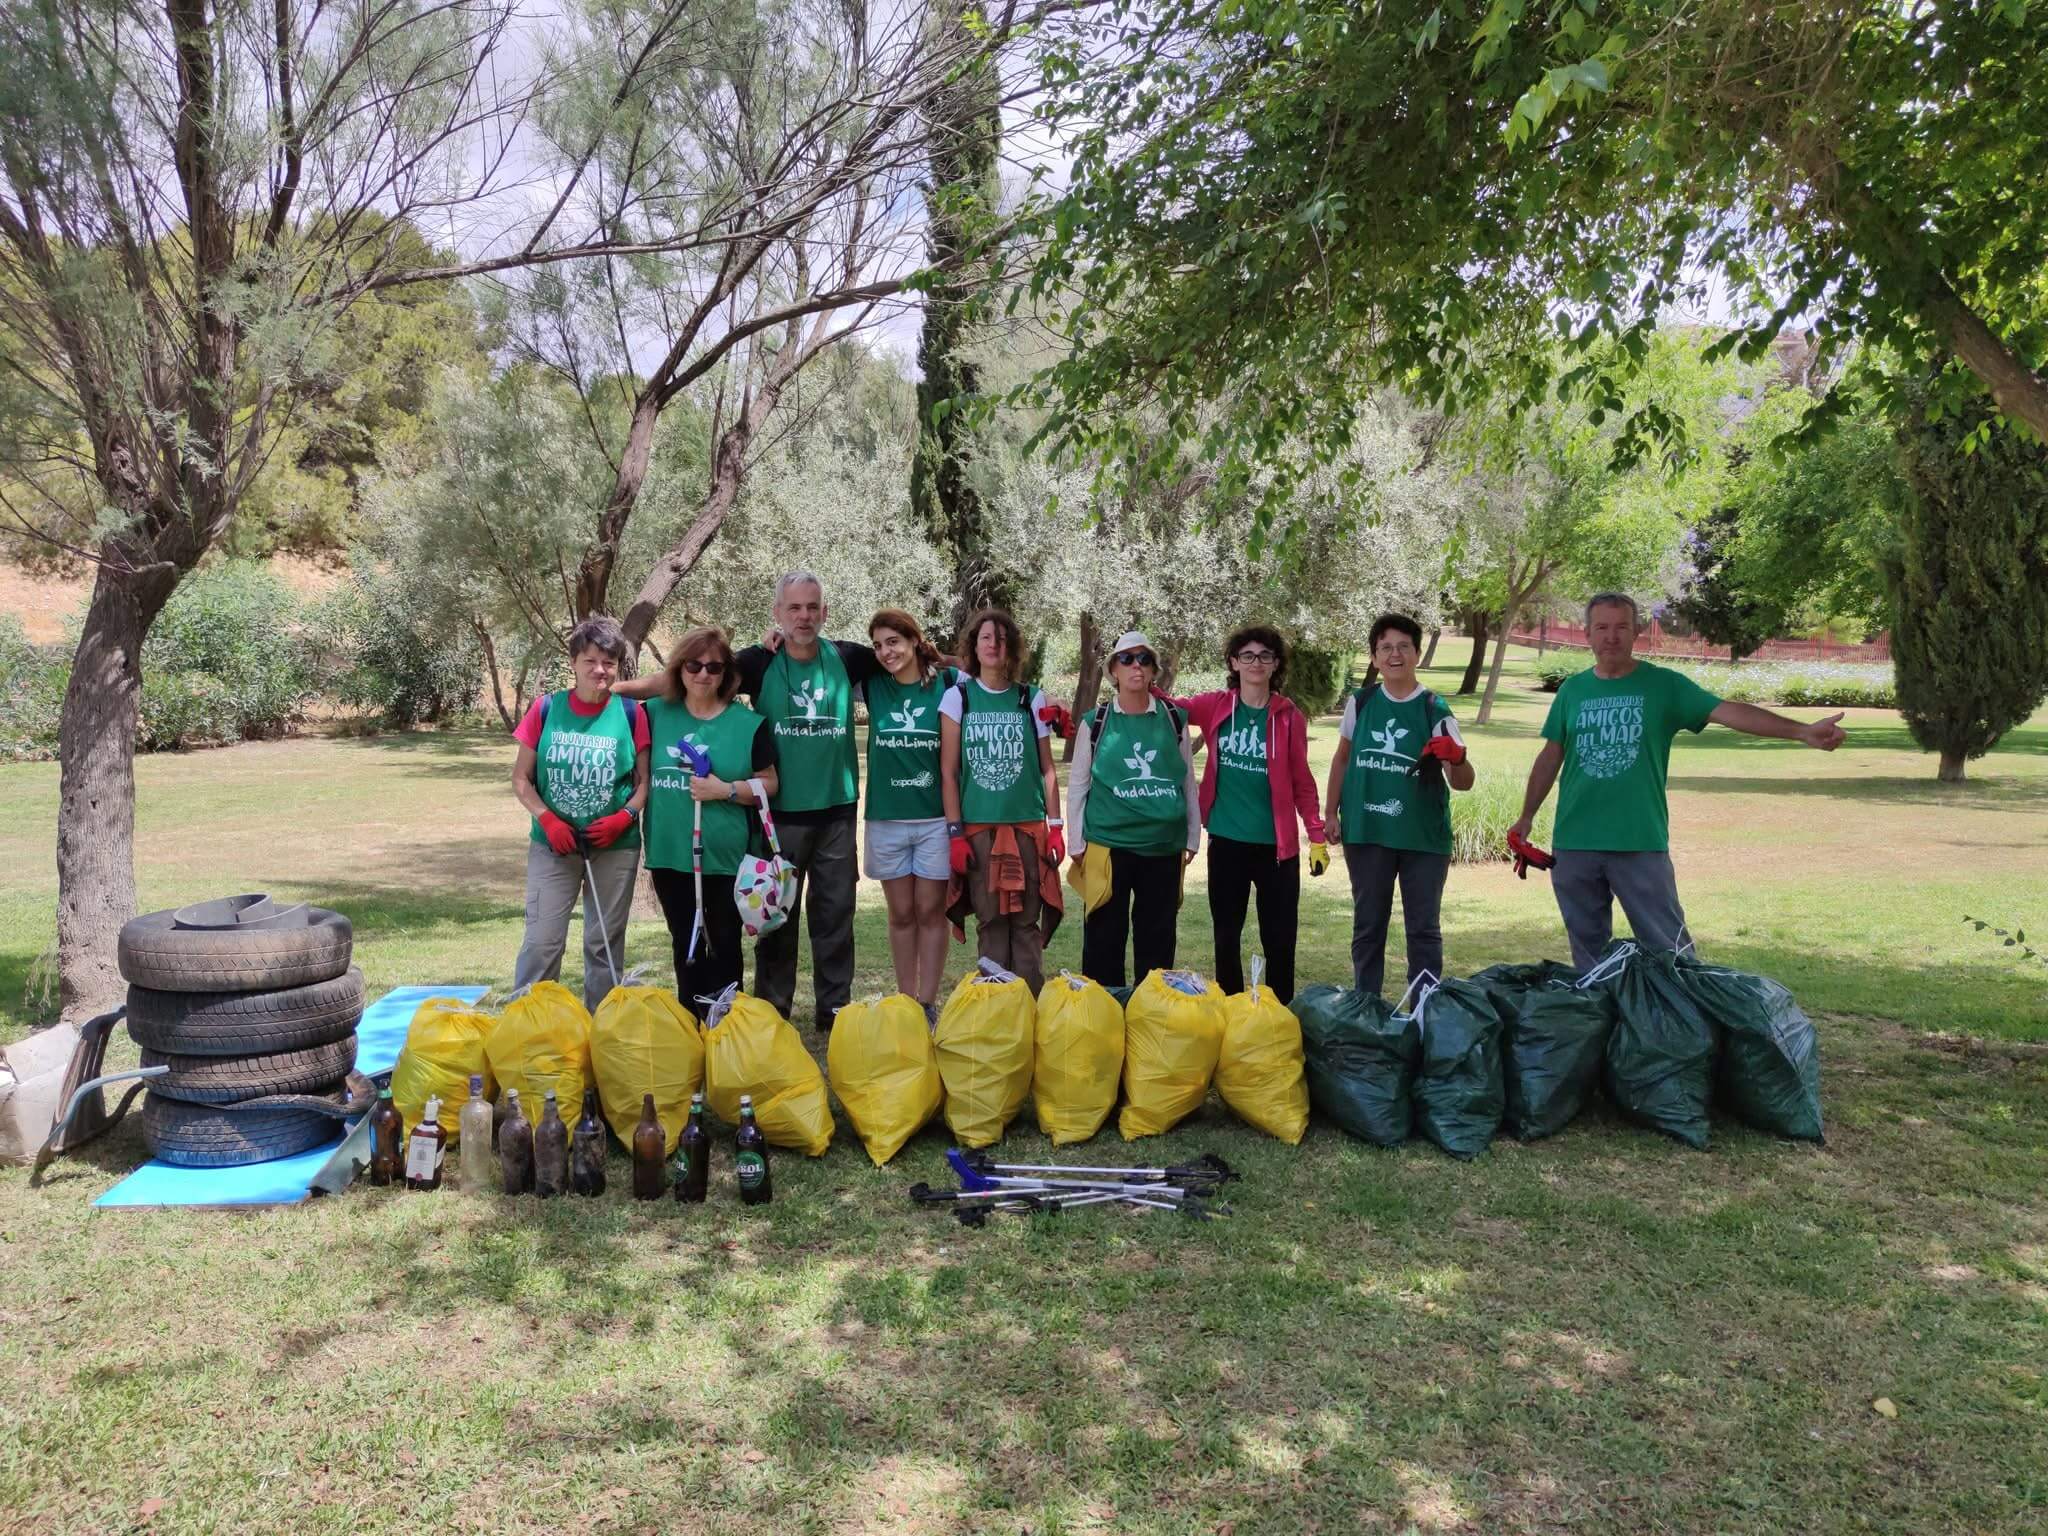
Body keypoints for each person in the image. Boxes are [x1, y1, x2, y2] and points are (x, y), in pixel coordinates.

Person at [1510, 592, 1846, 971]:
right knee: (1590, 960)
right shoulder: (1573, 690)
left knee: (1670, 952)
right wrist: (1526, 816)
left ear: (1636, 631)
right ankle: (1606, 1025)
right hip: (1575, 843)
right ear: (1587, 634)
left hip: (1638, 842)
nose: (1611, 636)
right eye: (1602, 627)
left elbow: (1727, 712)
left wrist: (1800, 731)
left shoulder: (1664, 686)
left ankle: (1687, 1026)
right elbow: (1551, 755)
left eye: (1621, 627)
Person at [724, 573, 881, 1028]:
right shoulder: (758, 662)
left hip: (835, 811)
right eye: (793, 608)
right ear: (777, 614)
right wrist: (618, 693)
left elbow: (907, 655)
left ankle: (834, 1012)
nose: (804, 616)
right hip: (778, 817)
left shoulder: (847, 658)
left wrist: (969, 664)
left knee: (835, 917)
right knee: (776, 917)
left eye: (812, 607)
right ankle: (773, 1013)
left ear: (824, 612)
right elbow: (698, 674)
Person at [1160, 625, 1327, 1002]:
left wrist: (1316, 837)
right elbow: (1170, 705)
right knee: (1226, 936)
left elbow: (1302, 781)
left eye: (1265, 656)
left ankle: (1279, 1014)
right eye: (1247, 655)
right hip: (1228, 841)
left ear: (1276, 664)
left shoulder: (1288, 717)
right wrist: (1138, 675)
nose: (1255, 663)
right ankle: (1232, 1014)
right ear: (1234, 662)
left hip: (1277, 850)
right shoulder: (1217, 705)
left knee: (1280, 940)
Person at [1323, 612, 1474, 998]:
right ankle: (1366, 1006)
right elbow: (1342, 758)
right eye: (1385, 648)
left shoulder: (1434, 709)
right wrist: (1330, 813)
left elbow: (1462, 783)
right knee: (1369, 925)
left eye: (1403, 646)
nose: (1395, 655)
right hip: (1368, 832)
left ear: (1417, 654)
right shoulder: (1362, 702)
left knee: (1423, 930)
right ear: (1374, 657)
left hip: (1422, 839)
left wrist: (1456, 758)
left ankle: (1424, 1010)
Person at [629, 627, 778, 1006]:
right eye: (694, 665)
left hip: (726, 859)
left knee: (725, 945)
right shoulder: (654, 714)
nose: (703, 675)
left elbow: (770, 784)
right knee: (686, 944)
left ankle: (728, 1030)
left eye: (713, 667)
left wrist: (725, 790)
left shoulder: (748, 724)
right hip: (670, 854)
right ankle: (691, 1030)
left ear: (725, 673)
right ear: (679, 668)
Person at [510, 616, 650, 1012]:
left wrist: (625, 815)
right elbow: (521, 779)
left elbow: (645, 782)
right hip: (553, 846)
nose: (600, 670)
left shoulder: (631, 714)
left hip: (615, 847)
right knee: (542, 941)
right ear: (573, 662)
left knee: (603, 944)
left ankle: (602, 1033)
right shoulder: (546, 709)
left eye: (609, 662)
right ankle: (528, 1030)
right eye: (590, 660)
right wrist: (548, 819)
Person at [939, 608, 1063, 993]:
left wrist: (1055, 828)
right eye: (986, 637)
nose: (994, 645)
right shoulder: (958, 697)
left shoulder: (1031, 698)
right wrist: (955, 833)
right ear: (974, 647)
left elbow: (1047, 769)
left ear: (1012, 647)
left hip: (1027, 828)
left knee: (1026, 922)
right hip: (979, 830)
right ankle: (996, 1010)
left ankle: (1030, 1005)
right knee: (991, 921)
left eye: (1001, 638)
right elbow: (949, 772)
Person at [1067, 631, 1199, 988]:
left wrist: (1192, 835)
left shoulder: (1174, 719)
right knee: (1103, 943)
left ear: (1154, 669)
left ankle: (1150, 1015)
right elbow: (1078, 784)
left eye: (1144, 659)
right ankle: (1103, 1014)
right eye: (1127, 659)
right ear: (1113, 670)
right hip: (1108, 846)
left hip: (1163, 847)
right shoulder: (1095, 722)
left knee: (1157, 943)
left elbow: (1186, 781)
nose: (1136, 666)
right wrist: (1074, 841)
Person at [863, 609, 961, 1017]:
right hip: (886, 819)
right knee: (901, 914)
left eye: (893, 642)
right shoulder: (872, 686)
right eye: (879, 645)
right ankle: (905, 1001)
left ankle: (927, 1002)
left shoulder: (949, 685)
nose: (886, 652)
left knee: (929, 912)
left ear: (914, 641)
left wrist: (945, 659)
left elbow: (991, 672)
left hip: (934, 820)